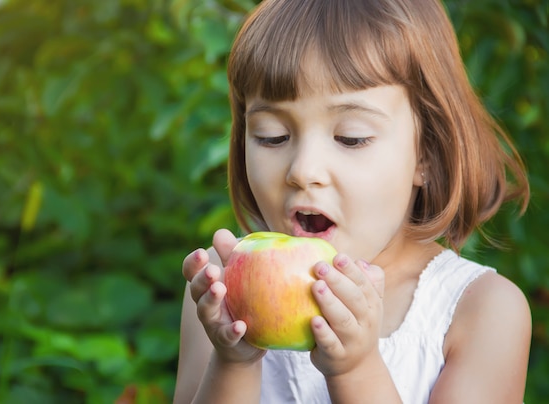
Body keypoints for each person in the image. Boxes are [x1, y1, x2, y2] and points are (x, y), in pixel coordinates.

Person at [174, 0, 531, 402]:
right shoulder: (222, 292)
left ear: (427, 154)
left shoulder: (481, 311)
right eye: (272, 135)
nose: (303, 170)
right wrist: (234, 361)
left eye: (351, 137)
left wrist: (356, 369)